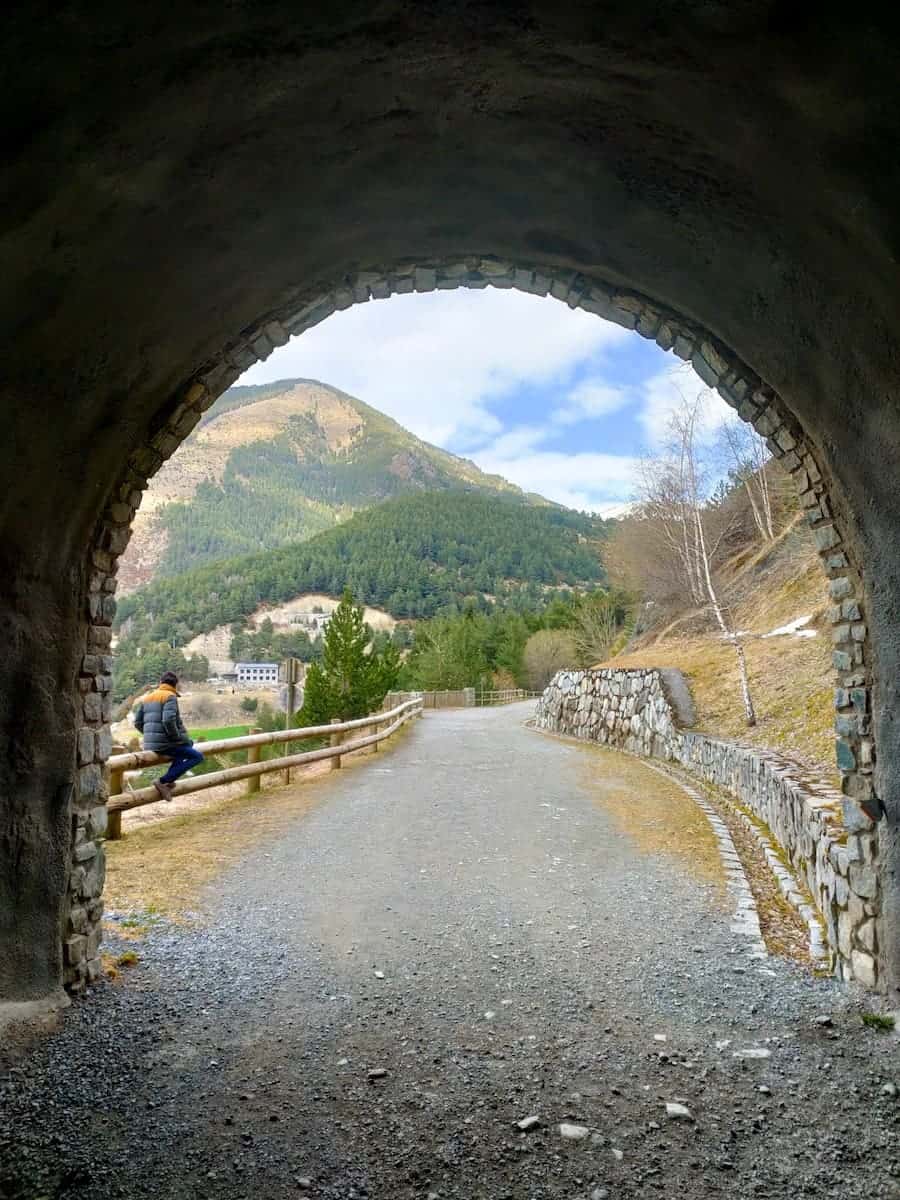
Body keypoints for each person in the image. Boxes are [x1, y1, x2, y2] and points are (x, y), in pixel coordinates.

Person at [133, 671, 204, 801]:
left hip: (150, 743)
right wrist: (176, 738)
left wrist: (150, 735)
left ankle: (170, 779)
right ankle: (162, 781)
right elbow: (168, 720)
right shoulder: (170, 696)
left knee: (187, 746)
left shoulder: (147, 698)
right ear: (175, 685)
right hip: (166, 743)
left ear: (161, 683)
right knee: (197, 757)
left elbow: (137, 723)